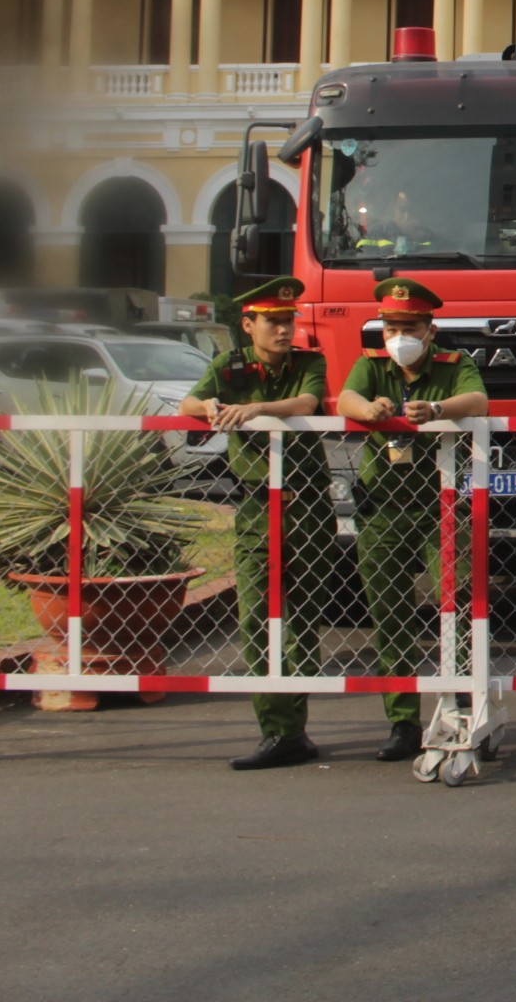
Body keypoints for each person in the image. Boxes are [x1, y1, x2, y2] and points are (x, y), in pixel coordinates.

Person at [180, 276, 332, 770]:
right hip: (254, 508)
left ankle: (295, 727)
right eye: (273, 322)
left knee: (304, 617)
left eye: (289, 321)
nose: (284, 330)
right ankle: (277, 729)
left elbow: (306, 404)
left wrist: (256, 410)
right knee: (254, 616)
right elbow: (188, 405)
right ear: (248, 325)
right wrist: (206, 406)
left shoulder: (310, 361)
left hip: (307, 504)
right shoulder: (230, 365)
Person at [336, 277, 488, 763]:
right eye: (391, 326)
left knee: (457, 604)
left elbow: (478, 401)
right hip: (383, 506)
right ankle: (402, 722)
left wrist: (439, 408)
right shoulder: (372, 364)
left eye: (409, 327)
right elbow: (345, 401)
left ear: (430, 329)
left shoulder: (453, 364)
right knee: (389, 614)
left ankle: (463, 702)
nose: (398, 335)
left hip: (441, 506)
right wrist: (371, 409)